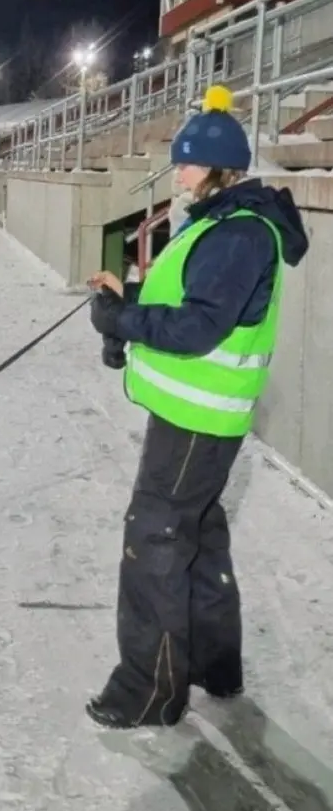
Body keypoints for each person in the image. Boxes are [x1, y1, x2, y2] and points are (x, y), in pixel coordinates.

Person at [86, 85, 309, 729]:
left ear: (219, 168)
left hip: (196, 421)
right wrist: (126, 300)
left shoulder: (238, 234)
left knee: (155, 538)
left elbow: (198, 328)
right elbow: (184, 303)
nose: (177, 174)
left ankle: (149, 691)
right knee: (198, 536)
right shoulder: (219, 224)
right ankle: (215, 666)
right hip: (197, 416)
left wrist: (122, 320)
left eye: (187, 163)